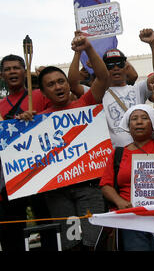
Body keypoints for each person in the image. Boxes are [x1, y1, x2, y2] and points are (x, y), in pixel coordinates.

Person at [36, 34, 110, 250]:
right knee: (71, 245)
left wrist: (87, 48)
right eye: (51, 84)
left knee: (94, 242)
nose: (58, 87)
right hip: (58, 194)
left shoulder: (85, 104)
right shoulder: (38, 121)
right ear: (43, 92)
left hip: (88, 189)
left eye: (61, 81)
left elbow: (103, 79)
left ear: (68, 84)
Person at [100, 83, 154, 251]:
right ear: (128, 127)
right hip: (132, 220)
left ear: (152, 123)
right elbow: (106, 185)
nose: (139, 122)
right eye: (134, 119)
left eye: (144, 118)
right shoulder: (118, 154)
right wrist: (119, 201)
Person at [0, 54, 52, 251]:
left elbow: (60, 111)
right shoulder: (0, 106)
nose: (12, 71)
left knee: (47, 222)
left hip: (42, 172)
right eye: (8, 69)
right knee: (12, 228)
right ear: (2, 75)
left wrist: (37, 119)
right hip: (12, 176)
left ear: (24, 71)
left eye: (16, 67)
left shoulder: (40, 95)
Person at [101, 28, 154, 148]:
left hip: (142, 152)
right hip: (119, 157)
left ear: (126, 67)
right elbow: (74, 85)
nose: (115, 68)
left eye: (119, 64)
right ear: (103, 69)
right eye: (110, 65)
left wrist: (153, 44)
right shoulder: (99, 95)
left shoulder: (137, 89)